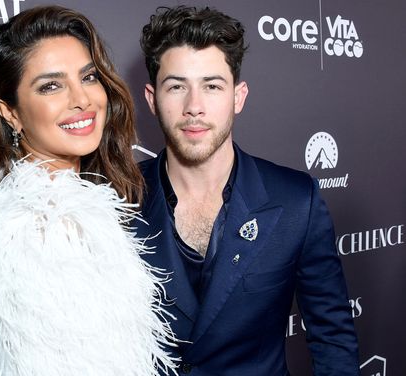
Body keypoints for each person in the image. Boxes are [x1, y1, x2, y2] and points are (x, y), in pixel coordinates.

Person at [0, 6, 177, 376]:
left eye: (89, 77)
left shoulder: (74, 206)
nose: (83, 99)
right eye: (51, 86)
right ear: (11, 113)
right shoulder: (35, 226)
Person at [134, 5, 359, 375]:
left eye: (212, 86)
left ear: (238, 97)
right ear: (151, 98)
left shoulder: (295, 200)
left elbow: (332, 336)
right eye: (176, 86)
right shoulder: (114, 200)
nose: (194, 107)